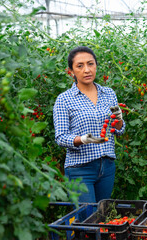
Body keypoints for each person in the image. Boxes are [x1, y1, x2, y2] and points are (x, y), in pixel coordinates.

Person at [53, 46, 125, 203]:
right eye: (80, 66)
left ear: (96, 66)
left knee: (102, 215)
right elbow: (61, 137)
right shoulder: (64, 99)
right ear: (71, 71)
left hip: (107, 166)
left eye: (90, 64)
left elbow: (118, 130)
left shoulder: (109, 94)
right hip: (80, 169)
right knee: (87, 220)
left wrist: (119, 119)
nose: (87, 70)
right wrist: (84, 139)